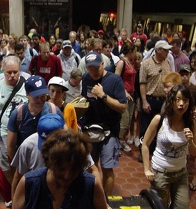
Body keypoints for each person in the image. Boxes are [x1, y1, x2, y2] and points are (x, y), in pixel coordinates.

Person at [12, 129, 107, 209]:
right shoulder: (29, 183)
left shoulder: (91, 185)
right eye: (61, 169)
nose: (67, 176)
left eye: (74, 169)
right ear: (50, 162)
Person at [142, 85, 196, 208]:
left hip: (181, 173)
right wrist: (146, 168)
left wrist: (190, 141)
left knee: (183, 206)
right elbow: (145, 144)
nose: (181, 104)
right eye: (177, 100)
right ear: (171, 101)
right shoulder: (160, 119)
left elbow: (195, 152)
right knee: (161, 205)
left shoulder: (190, 122)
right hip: (160, 173)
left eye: (185, 100)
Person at [81, 51, 126, 195]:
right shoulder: (86, 78)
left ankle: (106, 200)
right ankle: (93, 197)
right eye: (90, 68)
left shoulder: (114, 80)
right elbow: (85, 100)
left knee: (107, 168)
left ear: (102, 64)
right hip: (89, 130)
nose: (93, 71)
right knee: (90, 167)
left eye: (96, 67)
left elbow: (122, 107)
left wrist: (103, 96)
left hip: (109, 131)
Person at [0, 55, 28, 187]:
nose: (12, 75)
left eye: (15, 72)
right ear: (3, 71)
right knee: (5, 162)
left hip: (24, 132)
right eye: (9, 72)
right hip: (4, 133)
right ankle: (16, 187)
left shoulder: (27, 85)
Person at [7, 75, 64, 164]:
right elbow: (10, 147)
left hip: (50, 162)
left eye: (43, 96)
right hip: (25, 162)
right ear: (27, 95)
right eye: (36, 97)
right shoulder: (18, 114)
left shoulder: (54, 111)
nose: (40, 100)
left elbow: (65, 135)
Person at [138, 40, 173, 162]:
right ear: (158, 50)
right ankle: (143, 150)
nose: (168, 52)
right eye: (165, 50)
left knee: (160, 127)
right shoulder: (146, 64)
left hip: (163, 100)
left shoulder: (167, 63)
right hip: (150, 99)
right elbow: (142, 84)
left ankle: (154, 149)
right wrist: (144, 101)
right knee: (146, 126)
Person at [115, 43, 137, 153]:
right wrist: (124, 92)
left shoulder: (131, 63)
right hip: (124, 94)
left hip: (132, 94)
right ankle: (118, 142)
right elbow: (116, 79)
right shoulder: (121, 62)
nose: (136, 53)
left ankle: (122, 140)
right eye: (134, 51)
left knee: (129, 120)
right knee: (124, 120)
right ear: (130, 51)